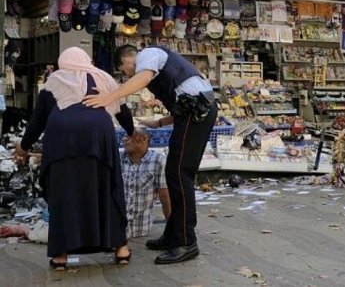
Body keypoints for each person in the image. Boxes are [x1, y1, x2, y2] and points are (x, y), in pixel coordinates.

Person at [83, 44, 217, 265]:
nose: (127, 75)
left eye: (124, 71)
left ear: (126, 60)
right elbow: (184, 99)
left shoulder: (148, 55)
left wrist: (110, 96)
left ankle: (186, 241)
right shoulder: (158, 70)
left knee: (179, 173)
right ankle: (174, 235)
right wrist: (160, 122)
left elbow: (144, 77)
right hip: (193, 112)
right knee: (175, 174)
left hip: (197, 114)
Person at [13, 47, 132, 270]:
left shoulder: (54, 80)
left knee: (63, 193)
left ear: (63, 62)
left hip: (62, 139)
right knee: (106, 189)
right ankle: (121, 249)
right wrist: (133, 132)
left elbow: (38, 121)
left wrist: (23, 147)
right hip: (99, 137)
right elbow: (123, 112)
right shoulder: (103, 77)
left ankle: (60, 256)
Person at [121, 128, 171, 238]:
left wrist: (171, 228)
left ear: (143, 139)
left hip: (141, 229)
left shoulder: (158, 160)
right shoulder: (118, 158)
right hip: (117, 229)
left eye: (129, 136)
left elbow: (164, 196)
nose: (124, 139)